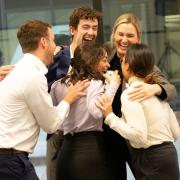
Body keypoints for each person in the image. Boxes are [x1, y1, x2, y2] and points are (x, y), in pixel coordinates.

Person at [0, 20, 89, 180]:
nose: (55, 46)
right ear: (43, 41)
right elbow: (51, 124)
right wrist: (69, 98)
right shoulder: (32, 76)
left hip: (10, 159)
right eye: (53, 40)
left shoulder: (20, 70)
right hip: (11, 161)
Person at [103, 13, 177, 180]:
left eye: (130, 35)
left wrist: (155, 88)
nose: (124, 39)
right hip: (108, 138)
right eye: (120, 34)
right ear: (114, 34)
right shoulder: (105, 56)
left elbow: (170, 90)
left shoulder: (145, 65)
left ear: (138, 39)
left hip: (135, 141)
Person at [45, 6, 102, 180]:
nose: (91, 32)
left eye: (94, 28)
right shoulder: (55, 57)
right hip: (59, 136)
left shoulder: (101, 58)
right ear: (72, 30)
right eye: (86, 27)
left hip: (92, 140)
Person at [50, 43, 120, 180]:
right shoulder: (94, 84)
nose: (108, 65)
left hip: (65, 152)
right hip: (90, 153)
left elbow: (55, 119)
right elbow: (98, 112)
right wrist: (113, 85)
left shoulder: (57, 85)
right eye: (104, 60)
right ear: (92, 61)